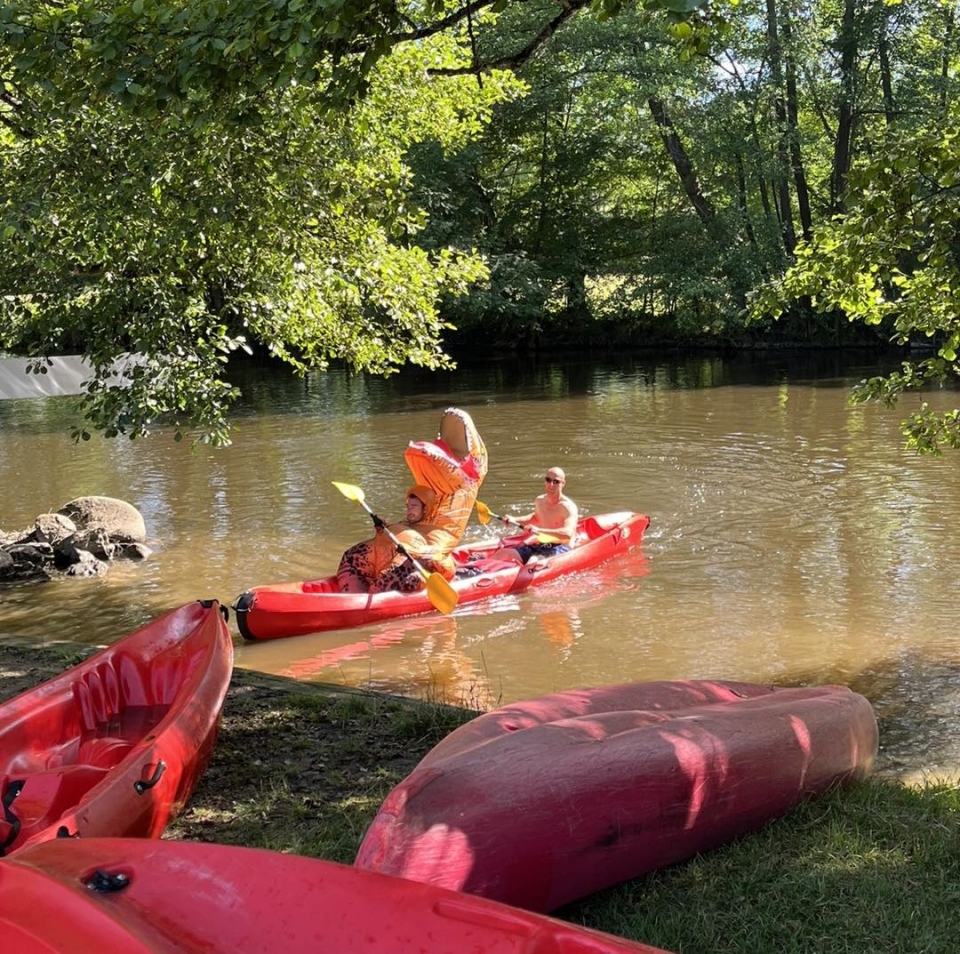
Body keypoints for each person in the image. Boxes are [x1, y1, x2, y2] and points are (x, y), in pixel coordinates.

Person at [337, 485, 456, 594]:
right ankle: (352, 593)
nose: (409, 511)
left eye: (413, 507)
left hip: (418, 571)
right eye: (408, 506)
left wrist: (414, 550)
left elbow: (444, 562)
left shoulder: (437, 532)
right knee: (351, 556)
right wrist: (382, 529)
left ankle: (373, 597)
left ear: (425, 509)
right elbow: (393, 541)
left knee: (386, 579)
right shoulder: (406, 524)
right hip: (386, 563)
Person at [491, 467, 579, 565]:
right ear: (544, 482)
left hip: (561, 547)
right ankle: (482, 572)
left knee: (533, 561)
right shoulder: (540, 501)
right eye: (548, 480)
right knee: (502, 553)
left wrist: (538, 530)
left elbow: (568, 533)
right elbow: (535, 518)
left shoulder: (568, 507)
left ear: (563, 483)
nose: (551, 485)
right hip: (542, 545)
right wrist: (514, 519)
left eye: (556, 482)